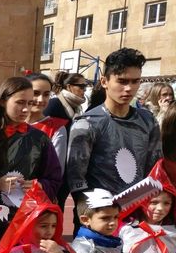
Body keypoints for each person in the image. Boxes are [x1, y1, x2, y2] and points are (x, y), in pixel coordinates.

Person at [68, 48, 161, 200]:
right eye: (122, 81)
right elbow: (76, 180)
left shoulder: (148, 121)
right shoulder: (86, 124)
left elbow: (154, 170)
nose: (129, 88)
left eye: (135, 81)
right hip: (99, 210)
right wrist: (91, 209)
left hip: (138, 207)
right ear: (104, 81)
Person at [0, 77, 62, 241]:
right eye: (20, 102)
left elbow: (54, 178)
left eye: (29, 103)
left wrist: (39, 185)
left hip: (26, 218)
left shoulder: (40, 139)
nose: (25, 109)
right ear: (3, 101)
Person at [27, 73, 67, 180]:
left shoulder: (56, 128)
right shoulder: (10, 124)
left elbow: (56, 172)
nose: (41, 99)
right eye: (35, 93)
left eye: (46, 94)